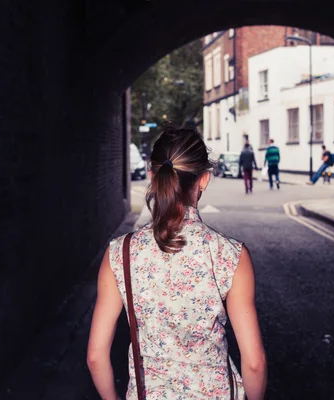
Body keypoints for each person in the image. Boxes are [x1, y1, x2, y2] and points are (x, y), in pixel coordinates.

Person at [87, 125, 267, 400]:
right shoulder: (231, 255)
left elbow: (96, 357)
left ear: (151, 176)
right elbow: (254, 363)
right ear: (204, 179)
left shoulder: (119, 254)